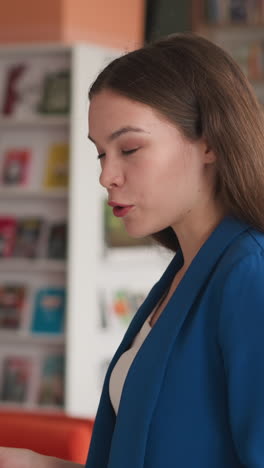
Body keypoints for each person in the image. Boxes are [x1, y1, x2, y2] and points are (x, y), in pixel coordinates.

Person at [1, 31, 264, 468]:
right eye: (101, 154)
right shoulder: (183, 276)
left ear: (210, 142)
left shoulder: (249, 275)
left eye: (129, 148)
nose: (107, 176)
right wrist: (37, 464)